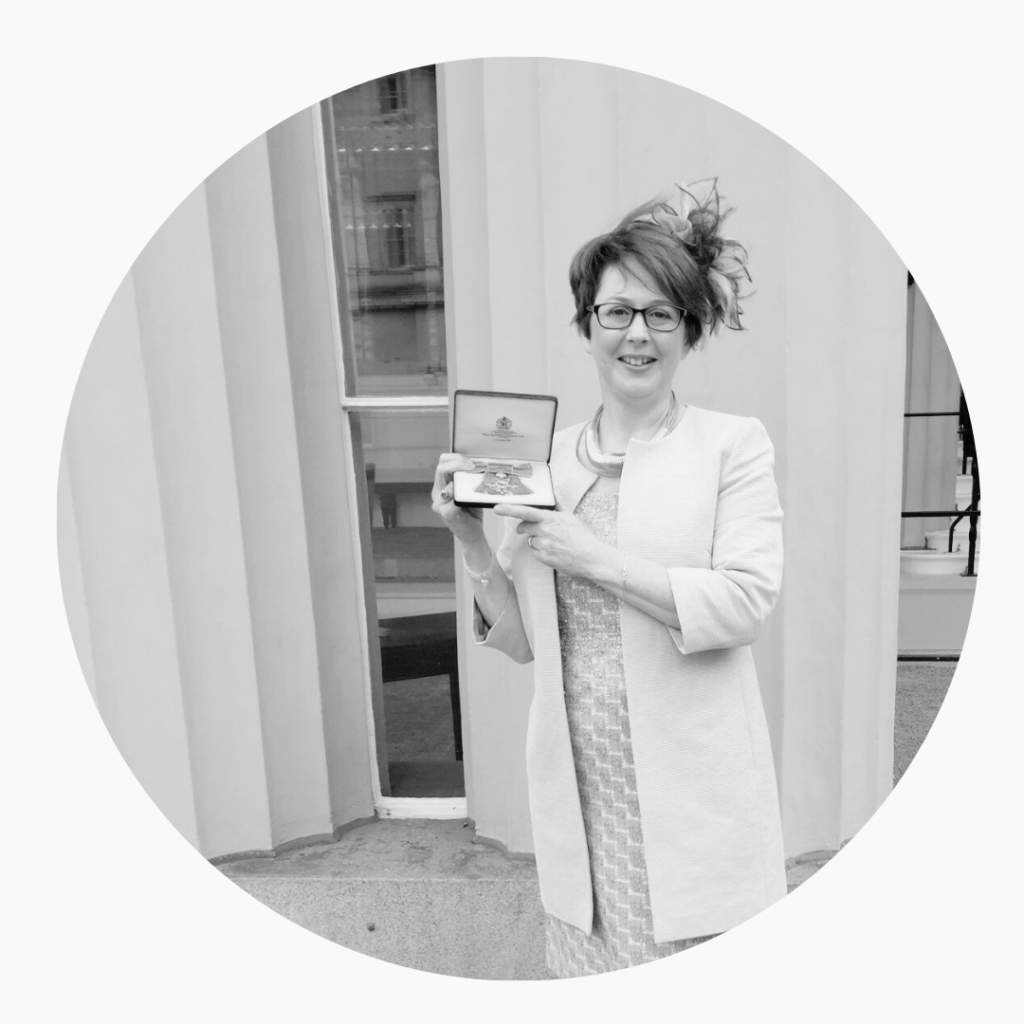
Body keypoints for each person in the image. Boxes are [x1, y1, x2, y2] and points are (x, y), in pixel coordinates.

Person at [431, 180, 786, 978]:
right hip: (582, 792)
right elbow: (525, 644)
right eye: (617, 312)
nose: (637, 334)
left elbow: (743, 601)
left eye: (662, 314)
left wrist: (595, 559)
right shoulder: (544, 460)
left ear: (690, 331)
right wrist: (470, 539)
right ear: (587, 325)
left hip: (692, 791)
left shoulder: (730, 447)